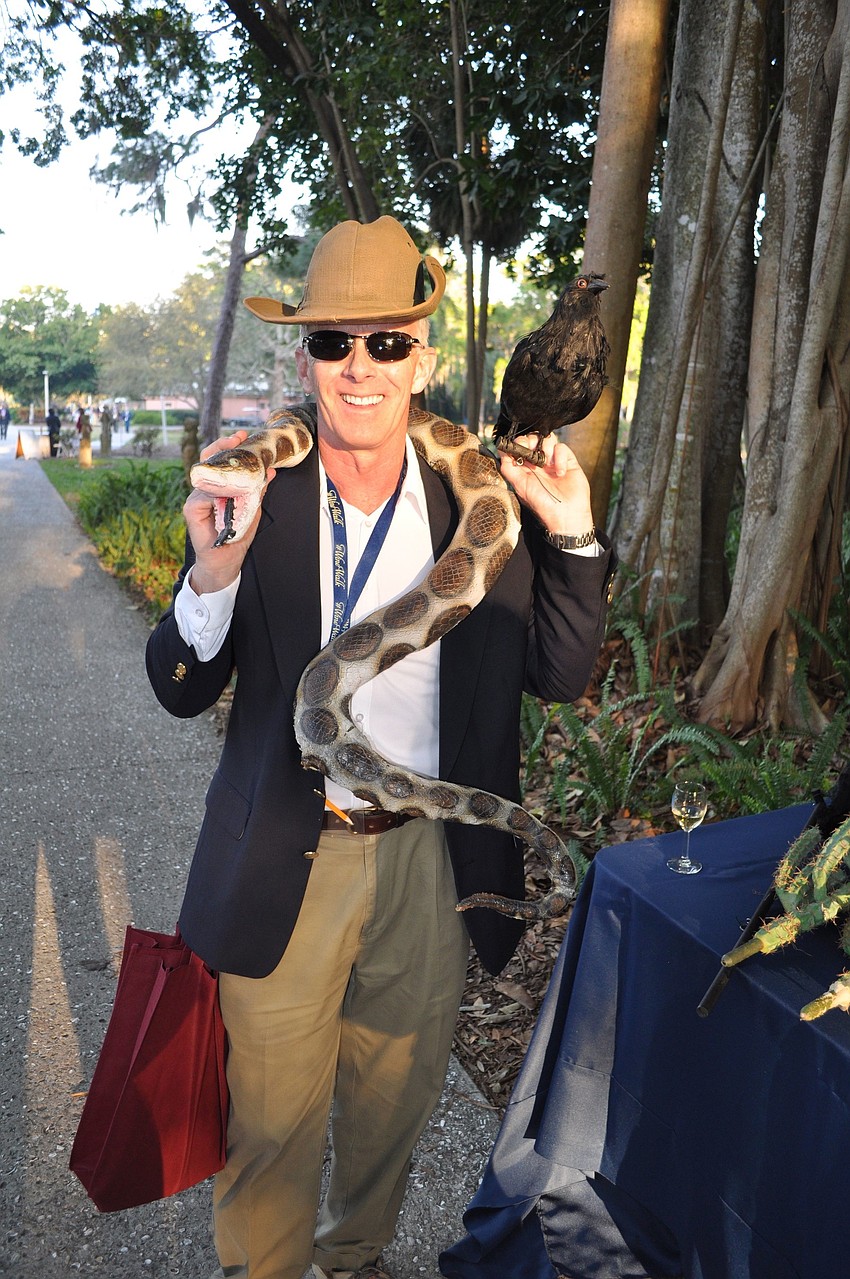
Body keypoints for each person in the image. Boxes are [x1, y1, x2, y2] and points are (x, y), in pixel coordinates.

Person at [146, 215, 616, 1279]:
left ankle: (354, 1259)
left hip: (428, 855)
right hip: (286, 850)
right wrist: (210, 577)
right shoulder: (253, 486)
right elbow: (181, 688)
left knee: (392, 1107)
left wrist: (575, 532)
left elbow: (558, 674)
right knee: (269, 1122)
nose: (357, 368)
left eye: (386, 343)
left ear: (425, 356)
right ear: (305, 355)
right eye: (332, 343)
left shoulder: (479, 499)